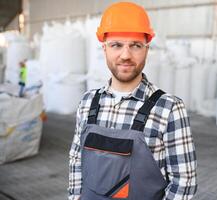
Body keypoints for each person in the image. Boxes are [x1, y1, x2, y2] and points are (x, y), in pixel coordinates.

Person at [68, 2, 197, 200]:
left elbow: (184, 183)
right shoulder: (87, 102)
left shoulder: (169, 108)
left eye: (135, 45)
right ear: (104, 48)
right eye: (116, 45)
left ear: (146, 49)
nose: (126, 55)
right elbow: (76, 161)